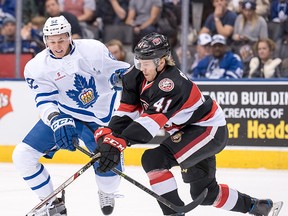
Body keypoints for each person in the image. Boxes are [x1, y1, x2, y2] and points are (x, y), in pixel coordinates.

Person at [92, 32, 283, 216]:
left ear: (161, 62)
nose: (142, 68)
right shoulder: (136, 75)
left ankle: (173, 214)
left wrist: (118, 142)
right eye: (139, 61)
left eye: (147, 63)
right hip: (186, 132)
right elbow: (128, 109)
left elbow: (149, 124)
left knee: (153, 159)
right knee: (208, 194)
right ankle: (259, 207)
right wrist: (109, 134)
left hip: (208, 129)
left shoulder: (171, 83)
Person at [12, 15, 130, 216]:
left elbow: (120, 73)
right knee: (23, 156)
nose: (57, 46)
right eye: (52, 41)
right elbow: (44, 101)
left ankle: (105, 190)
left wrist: (122, 79)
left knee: (110, 183)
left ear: (70, 37)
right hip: (66, 115)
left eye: (61, 40)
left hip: (101, 120)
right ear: (45, 40)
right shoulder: (36, 66)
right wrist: (55, 118)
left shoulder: (93, 49)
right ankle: (52, 205)